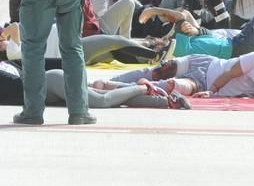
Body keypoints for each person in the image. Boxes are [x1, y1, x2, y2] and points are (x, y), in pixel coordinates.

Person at [105, 52, 254, 102]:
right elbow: (229, 73)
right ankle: (114, 80)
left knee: (172, 85)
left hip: (200, 84)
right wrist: (214, 90)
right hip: (205, 65)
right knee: (159, 71)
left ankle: (112, 88)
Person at [0, 64, 188, 110]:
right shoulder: (5, 65)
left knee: (101, 101)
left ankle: (143, 87)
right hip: (51, 84)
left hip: (52, 85)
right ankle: (166, 101)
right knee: (113, 98)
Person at [139, 8, 254, 60]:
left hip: (235, 44)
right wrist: (154, 10)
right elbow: (181, 17)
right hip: (237, 47)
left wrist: (196, 30)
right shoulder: (177, 46)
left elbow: (185, 14)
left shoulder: (184, 41)